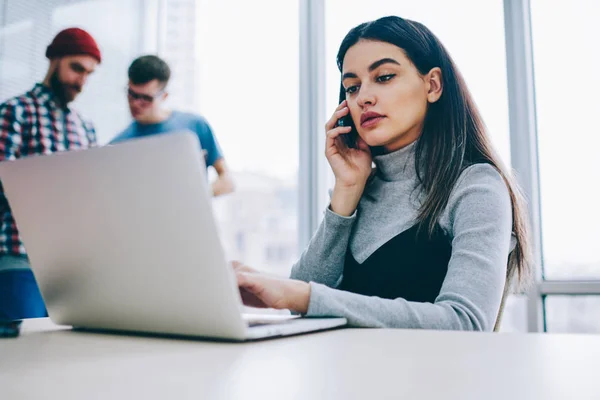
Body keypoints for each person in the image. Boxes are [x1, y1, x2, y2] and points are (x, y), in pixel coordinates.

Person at [233, 16, 533, 331]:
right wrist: (346, 191)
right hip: (347, 378)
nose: (364, 97)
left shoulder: (476, 186)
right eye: (352, 87)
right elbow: (300, 301)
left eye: (384, 77)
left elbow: (466, 323)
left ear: (432, 85)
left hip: (435, 380)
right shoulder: (358, 190)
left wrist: (306, 296)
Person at [0, 27, 101, 321]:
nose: (81, 81)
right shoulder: (15, 111)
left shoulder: (86, 127)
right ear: (54, 60)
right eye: (76, 68)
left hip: (72, 269)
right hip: (20, 257)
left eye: (89, 74)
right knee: (20, 358)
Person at [110, 55, 234, 197]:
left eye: (146, 98)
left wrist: (200, 196)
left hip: (190, 216)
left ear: (164, 96)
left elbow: (227, 180)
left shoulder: (195, 126)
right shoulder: (118, 145)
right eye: (132, 94)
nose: (135, 103)